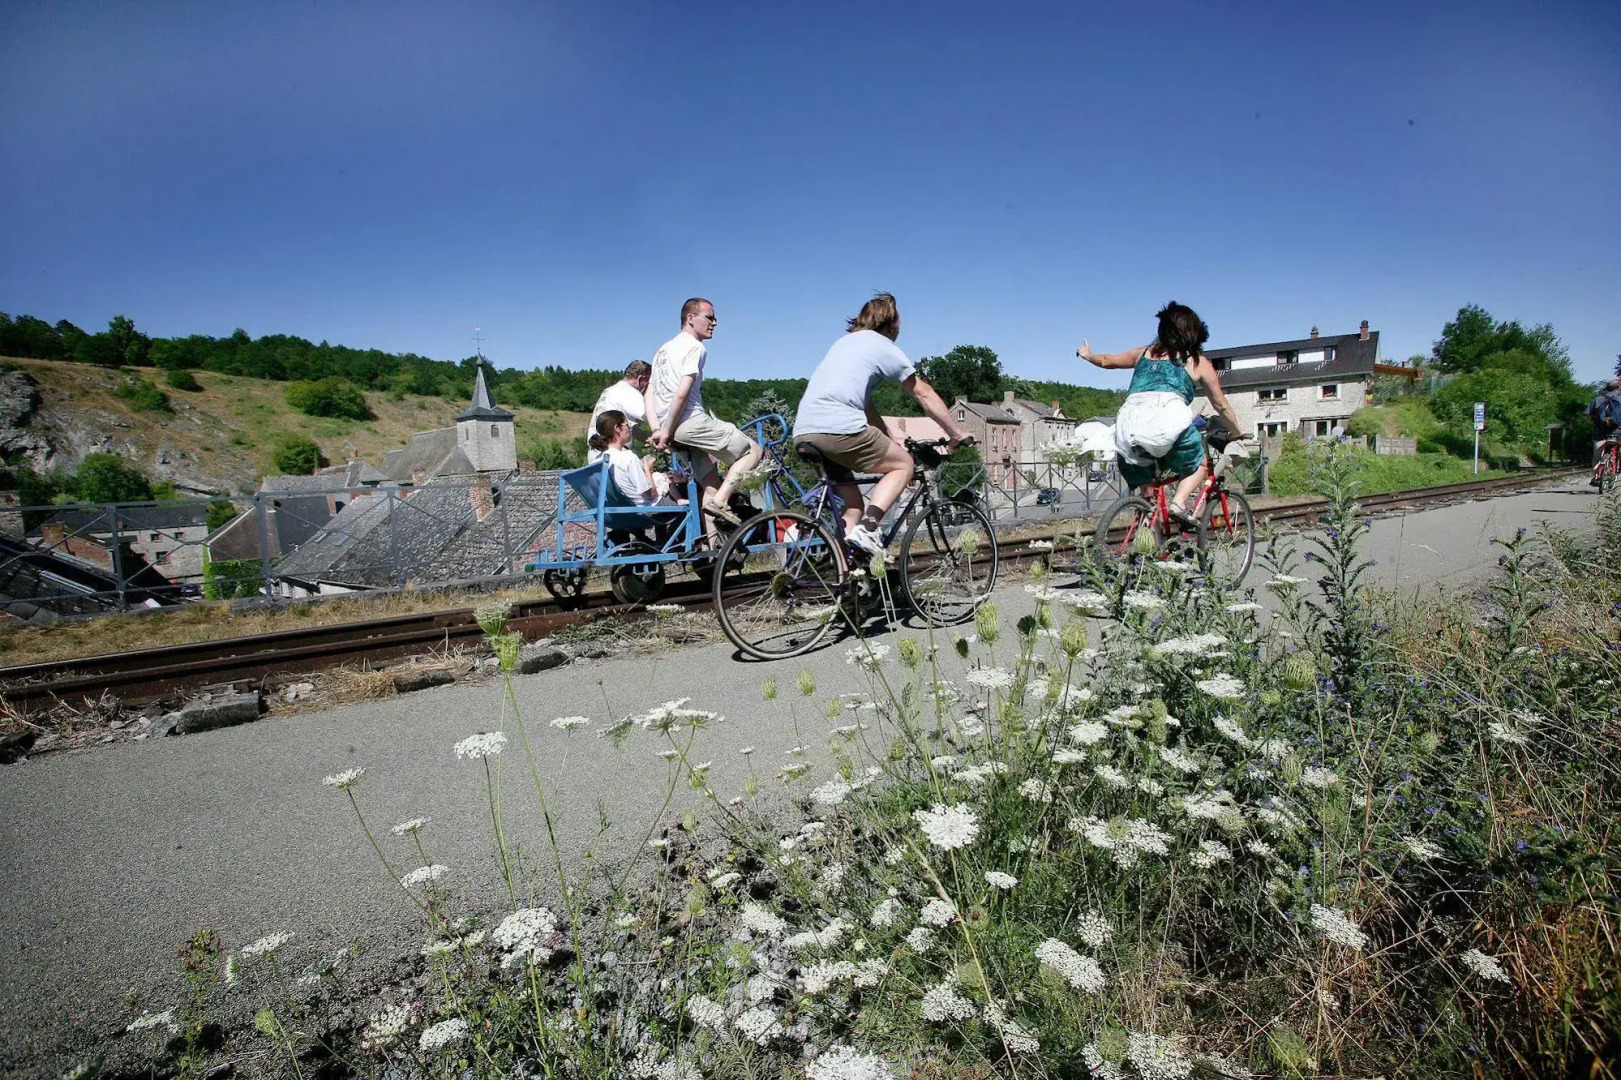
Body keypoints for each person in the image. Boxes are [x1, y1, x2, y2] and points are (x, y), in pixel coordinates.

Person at [792, 292, 972, 558]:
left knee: (853, 505)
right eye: (899, 325)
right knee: (903, 464)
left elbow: (866, 407)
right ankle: (869, 527)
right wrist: (955, 432)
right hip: (838, 428)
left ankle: (846, 573)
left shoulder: (843, 344)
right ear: (890, 325)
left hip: (805, 431)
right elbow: (922, 392)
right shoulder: (882, 344)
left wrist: (891, 438)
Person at [1077, 301, 1243, 526]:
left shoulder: (1141, 353)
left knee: (1145, 475)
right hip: (1168, 422)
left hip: (1129, 424)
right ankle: (1179, 504)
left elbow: (1107, 361)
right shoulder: (1196, 361)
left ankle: (1147, 513)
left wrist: (1088, 355)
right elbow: (1220, 405)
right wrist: (1237, 433)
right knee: (1200, 464)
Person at [645, 297, 763, 528]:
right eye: (709, 317)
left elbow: (649, 393)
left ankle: (714, 551)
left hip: (670, 427)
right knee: (753, 451)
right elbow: (682, 393)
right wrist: (666, 431)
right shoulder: (695, 347)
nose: (715, 323)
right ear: (690, 318)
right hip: (688, 422)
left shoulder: (662, 351)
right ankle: (721, 503)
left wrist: (657, 429)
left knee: (710, 484)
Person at [586, 360, 652, 462]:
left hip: (596, 456)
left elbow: (631, 428)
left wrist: (648, 440)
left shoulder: (609, 391)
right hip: (615, 457)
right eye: (648, 383)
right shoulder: (628, 392)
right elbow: (650, 415)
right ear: (641, 379)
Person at [587, 409, 655, 506]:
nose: (630, 429)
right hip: (644, 513)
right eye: (627, 425)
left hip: (617, 515)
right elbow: (651, 494)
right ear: (617, 428)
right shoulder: (628, 457)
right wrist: (648, 469)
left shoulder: (597, 461)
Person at [1588, 378, 1621, 485]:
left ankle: (1596, 476)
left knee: (1597, 457)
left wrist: (1595, 423)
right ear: (1618, 388)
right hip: (1618, 433)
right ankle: (1616, 471)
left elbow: (1588, 415)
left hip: (1600, 434)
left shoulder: (1598, 400)